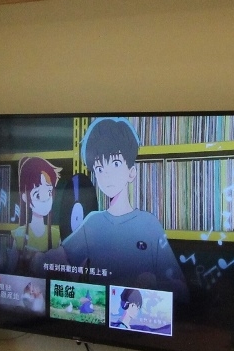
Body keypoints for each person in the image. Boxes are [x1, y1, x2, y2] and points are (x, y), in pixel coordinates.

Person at [41, 118, 188, 301]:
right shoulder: (93, 222)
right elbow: (56, 257)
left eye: (116, 164)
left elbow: (182, 291)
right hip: (95, 311)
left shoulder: (150, 225)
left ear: (131, 172)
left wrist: (155, 283)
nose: (107, 174)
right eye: (100, 168)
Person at [10, 156, 61, 268]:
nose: (45, 199)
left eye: (49, 192)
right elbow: (9, 270)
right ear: (25, 197)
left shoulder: (56, 235)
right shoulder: (19, 235)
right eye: (37, 194)